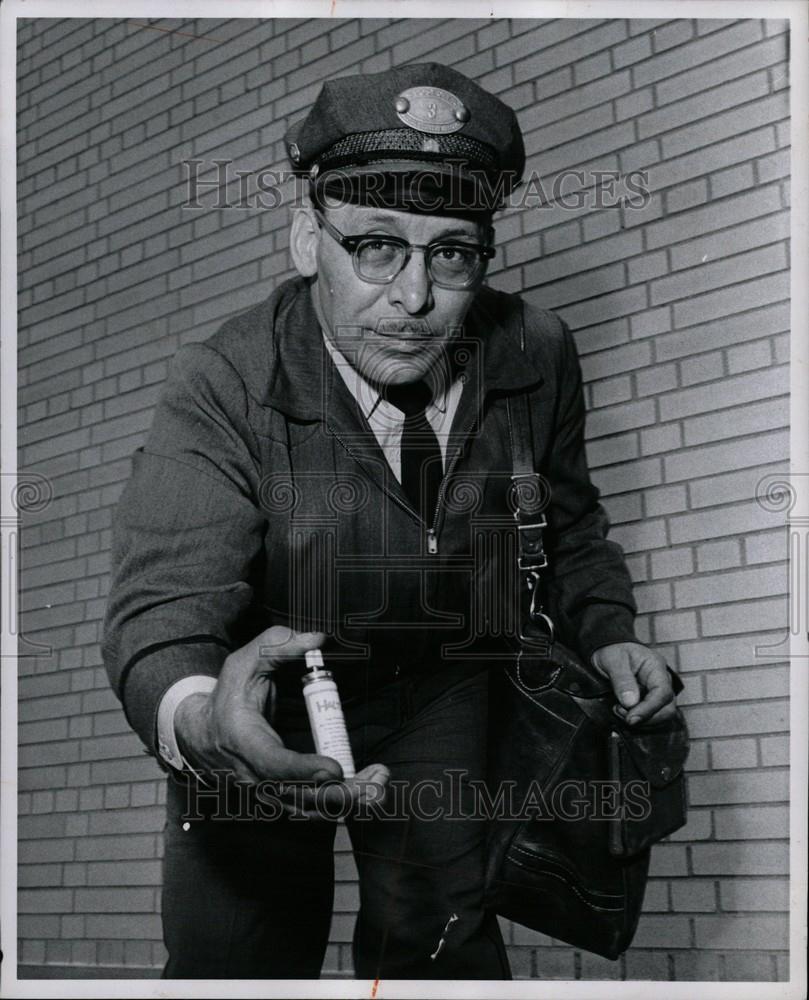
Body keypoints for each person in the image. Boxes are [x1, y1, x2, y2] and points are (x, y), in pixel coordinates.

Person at [102, 62, 678, 980]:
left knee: (441, 951)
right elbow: (160, 610)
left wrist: (606, 631)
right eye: (375, 246)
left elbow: (568, 519)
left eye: (450, 252)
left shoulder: (534, 349)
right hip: (271, 692)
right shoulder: (224, 378)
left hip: (438, 683)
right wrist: (204, 718)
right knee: (238, 959)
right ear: (306, 239)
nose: (412, 299)